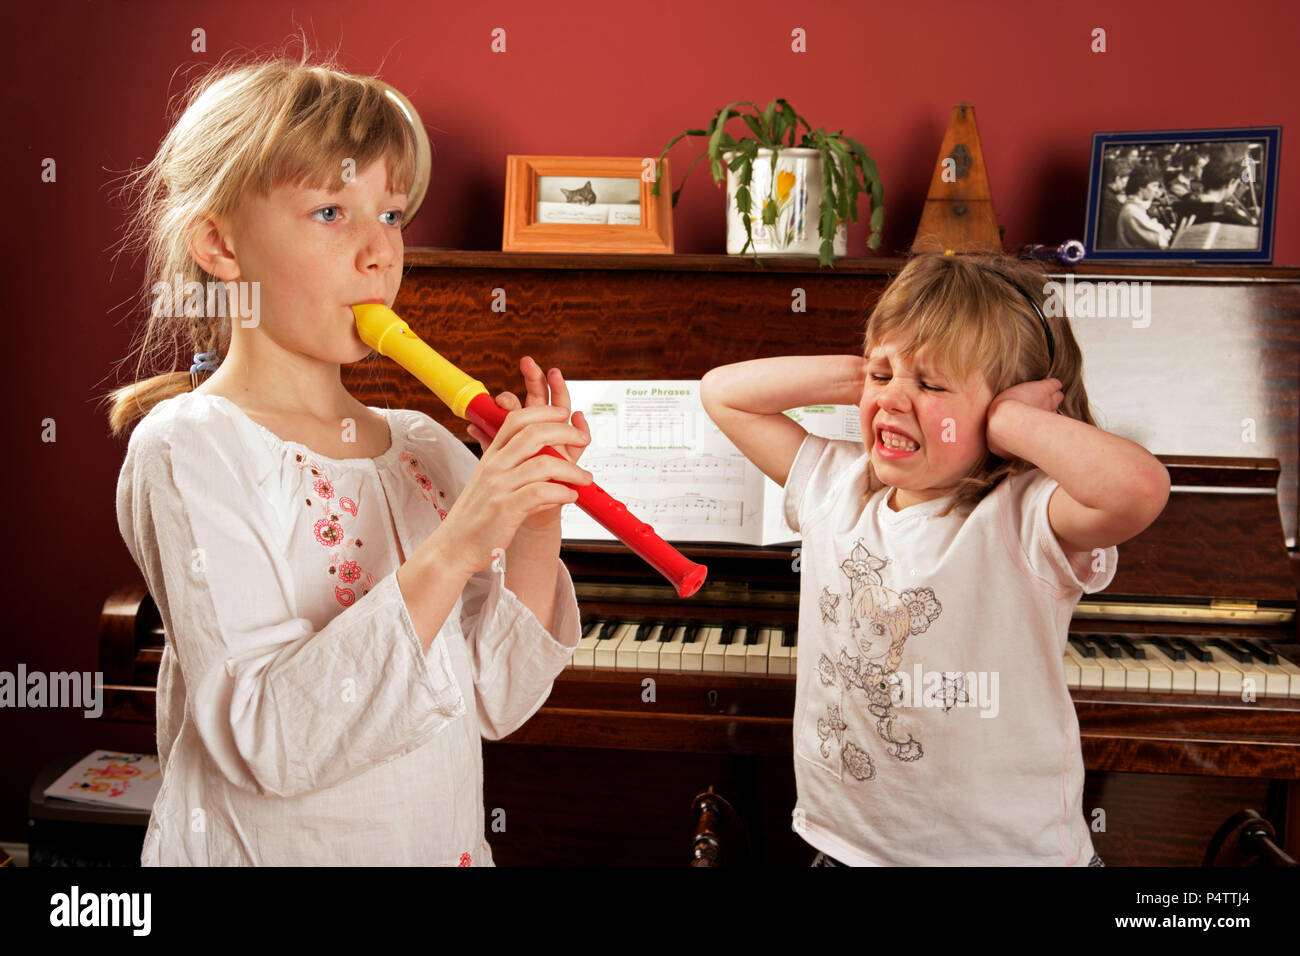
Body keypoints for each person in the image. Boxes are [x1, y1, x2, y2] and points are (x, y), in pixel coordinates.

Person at [102, 50, 593, 865]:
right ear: (221, 245)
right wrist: (463, 539)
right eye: (332, 212)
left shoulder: (425, 447)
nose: (380, 253)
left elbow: (497, 699)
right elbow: (268, 739)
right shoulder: (191, 447)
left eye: (392, 215)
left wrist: (537, 521)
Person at [700, 252, 1169, 866]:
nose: (893, 400)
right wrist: (864, 376)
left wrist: (1006, 420)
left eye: (931, 383)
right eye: (882, 374)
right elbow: (722, 394)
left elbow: (1139, 488)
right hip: (846, 849)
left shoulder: (1025, 515)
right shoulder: (836, 484)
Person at [1114, 165, 1175, 248]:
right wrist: (1169, 232)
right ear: (1141, 187)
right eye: (1154, 186)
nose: (1157, 190)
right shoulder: (1132, 212)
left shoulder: (1138, 208)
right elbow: (1159, 242)